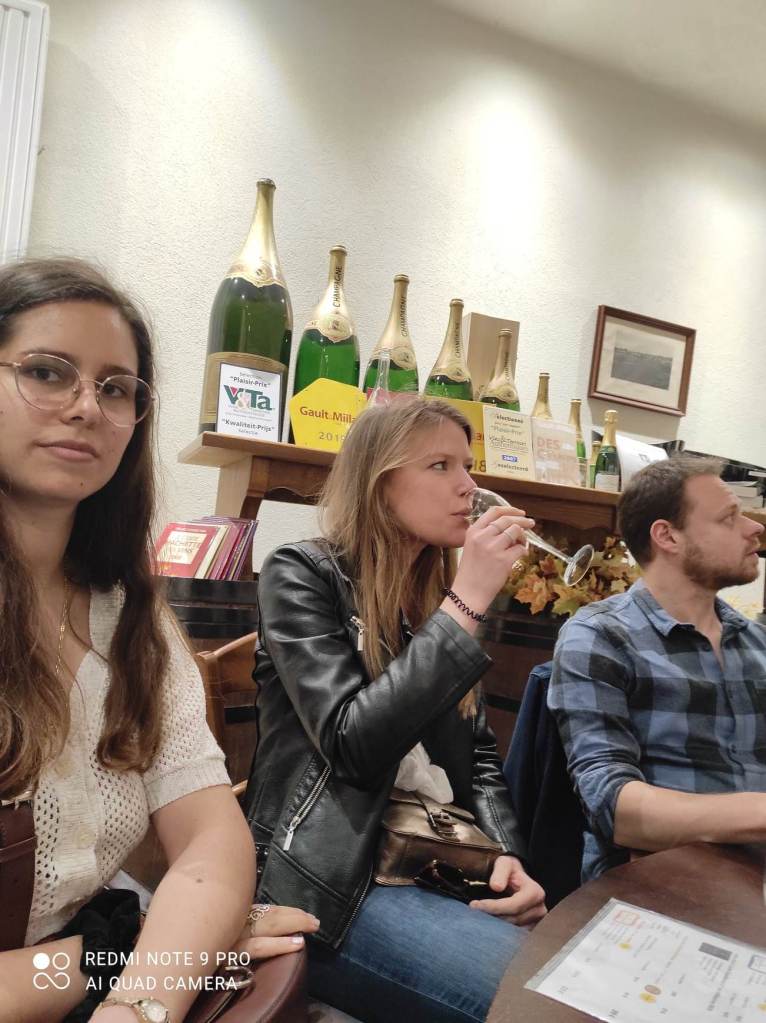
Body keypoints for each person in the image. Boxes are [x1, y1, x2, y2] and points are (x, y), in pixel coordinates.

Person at [0, 258, 317, 1023]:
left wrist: (141, 994)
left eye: (116, 388)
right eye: (46, 372)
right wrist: (130, 953)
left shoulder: (131, 617)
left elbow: (211, 845)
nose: (87, 406)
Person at [244, 398, 547, 1023]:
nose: (468, 488)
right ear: (378, 483)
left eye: (468, 466)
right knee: (542, 1005)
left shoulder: (433, 600)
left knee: (578, 982)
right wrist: (468, 601)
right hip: (330, 882)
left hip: (434, 858)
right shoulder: (301, 574)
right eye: (440, 466)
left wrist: (506, 855)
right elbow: (352, 744)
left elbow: (477, 754)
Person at [548, 455, 766, 882]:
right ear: (667, 536)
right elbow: (614, 807)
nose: (754, 528)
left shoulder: (758, 643)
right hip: (663, 883)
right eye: (728, 518)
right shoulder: (601, 637)